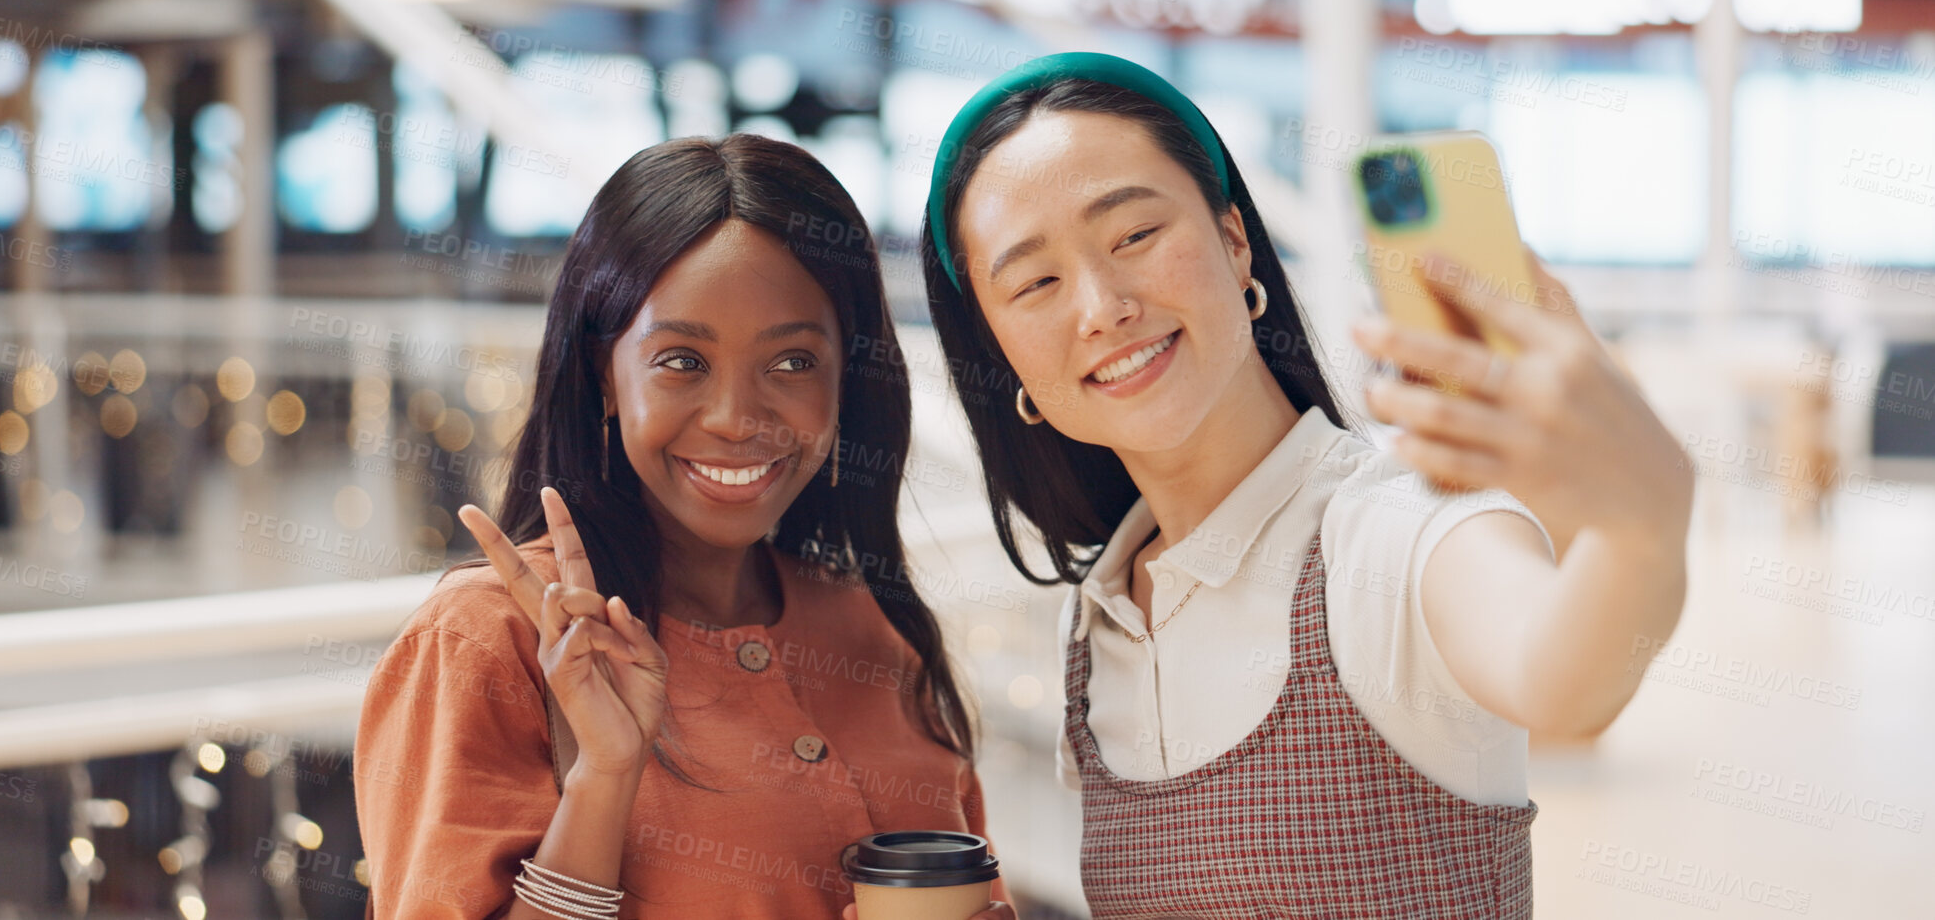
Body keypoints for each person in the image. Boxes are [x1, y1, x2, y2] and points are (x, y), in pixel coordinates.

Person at [917, 52, 1692, 918]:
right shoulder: (1091, 627)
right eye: (1035, 283)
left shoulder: (1396, 527)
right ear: (1000, 349)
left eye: (1135, 235)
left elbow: (1564, 683)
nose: (1100, 307)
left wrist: (1643, 520)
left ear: (1234, 240)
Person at [354, 133, 1016, 919]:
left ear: (849, 376)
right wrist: (602, 779)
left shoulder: (873, 632)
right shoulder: (482, 642)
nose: (737, 419)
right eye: (681, 361)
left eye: (794, 362)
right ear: (605, 374)